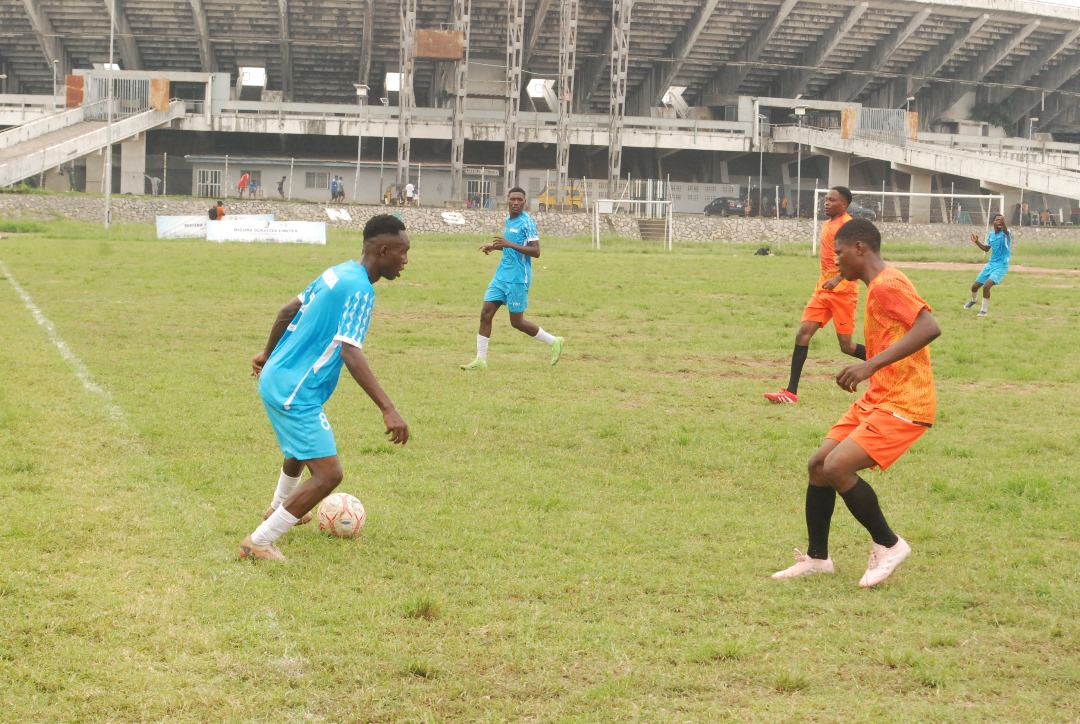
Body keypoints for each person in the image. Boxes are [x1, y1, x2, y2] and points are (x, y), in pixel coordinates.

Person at [772, 218, 941, 588]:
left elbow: (929, 327)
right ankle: (818, 559)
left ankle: (889, 544)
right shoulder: (876, 285)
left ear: (860, 248)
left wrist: (869, 365)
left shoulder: (888, 284)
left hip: (905, 402)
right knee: (819, 465)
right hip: (878, 396)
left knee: (837, 467)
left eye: (840, 253)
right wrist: (869, 368)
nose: (836, 261)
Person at [241, 214, 411, 561]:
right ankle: (258, 542)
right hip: (295, 391)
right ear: (383, 251)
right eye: (403, 252)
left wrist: (268, 354)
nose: (406, 260)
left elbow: (288, 310)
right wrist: (388, 408)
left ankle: (278, 507)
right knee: (329, 475)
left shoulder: (338, 271)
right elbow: (350, 351)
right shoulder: (361, 289)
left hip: (280, 378)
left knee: (301, 449)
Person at [764, 186, 866, 404]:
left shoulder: (848, 226)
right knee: (802, 334)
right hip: (822, 290)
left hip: (844, 292)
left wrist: (837, 278)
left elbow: (856, 257)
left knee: (847, 347)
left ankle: (889, 363)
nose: (826, 203)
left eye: (831, 200)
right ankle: (791, 393)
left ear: (844, 204)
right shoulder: (828, 224)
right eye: (825, 199)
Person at [460, 187, 564, 371]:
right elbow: (511, 245)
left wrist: (509, 244)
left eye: (519, 200)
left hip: (518, 278)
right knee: (485, 314)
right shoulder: (509, 220)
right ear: (507, 201)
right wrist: (494, 247)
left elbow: (536, 251)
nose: (516, 202)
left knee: (517, 322)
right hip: (501, 276)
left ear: (524, 202)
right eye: (513, 199)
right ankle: (480, 360)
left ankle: (554, 341)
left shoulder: (527, 223)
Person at [964, 213, 1012, 317]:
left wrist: (1004, 224)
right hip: (991, 264)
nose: (1000, 221)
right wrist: (977, 242)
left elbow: (1006, 231)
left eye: (1001, 220)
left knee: (986, 286)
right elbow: (986, 249)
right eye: (997, 220)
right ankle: (973, 300)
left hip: (1001, 265)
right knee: (974, 287)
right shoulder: (991, 235)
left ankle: (983, 310)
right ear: (993, 222)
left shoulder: (1005, 233)